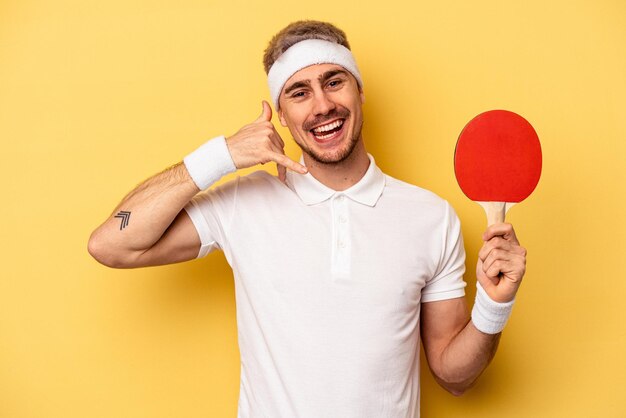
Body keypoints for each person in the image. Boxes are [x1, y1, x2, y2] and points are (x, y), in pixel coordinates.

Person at [88, 20, 527, 418]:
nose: (322, 106)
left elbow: (454, 377)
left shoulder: (431, 218)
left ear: (359, 92)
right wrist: (221, 156)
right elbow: (112, 243)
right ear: (282, 116)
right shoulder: (244, 203)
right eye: (299, 92)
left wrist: (494, 304)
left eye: (334, 82)